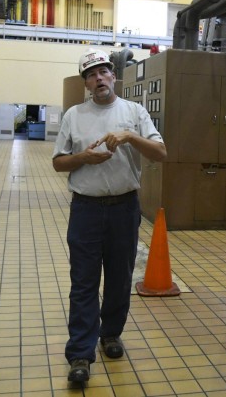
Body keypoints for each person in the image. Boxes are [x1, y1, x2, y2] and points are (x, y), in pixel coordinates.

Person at [52, 49, 167, 382]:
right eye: (91, 74)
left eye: (104, 71)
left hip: (124, 207)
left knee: (119, 278)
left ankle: (111, 333)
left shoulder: (134, 112)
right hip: (86, 209)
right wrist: (83, 159)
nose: (99, 78)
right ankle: (80, 354)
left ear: (114, 76)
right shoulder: (74, 115)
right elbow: (59, 161)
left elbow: (161, 152)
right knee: (83, 281)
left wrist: (131, 136)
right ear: (86, 82)